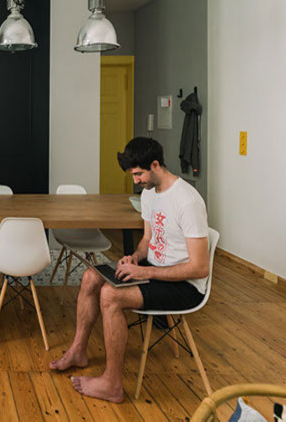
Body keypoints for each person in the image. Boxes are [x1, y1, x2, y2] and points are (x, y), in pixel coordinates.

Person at [49, 137, 210, 403]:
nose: (136, 181)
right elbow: (148, 240)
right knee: (91, 276)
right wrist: (135, 258)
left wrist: (145, 273)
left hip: (185, 286)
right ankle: (78, 350)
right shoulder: (149, 194)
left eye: (138, 174)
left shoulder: (187, 202)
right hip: (155, 269)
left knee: (110, 296)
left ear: (156, 165)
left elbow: (199, 268)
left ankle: (112, 384)